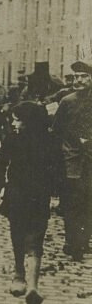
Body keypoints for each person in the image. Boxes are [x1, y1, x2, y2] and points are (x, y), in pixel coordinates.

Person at [0, 101, 62, 304]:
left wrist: (56, 194)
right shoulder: (19, 138)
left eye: (18, 119)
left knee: (28, 237)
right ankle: (24, 278)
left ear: (29, 121)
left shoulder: (44, 140)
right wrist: (0, 186)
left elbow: (58, 167)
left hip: (30, 195)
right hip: (25, 195)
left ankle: (27, 283)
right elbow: (2, 162)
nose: (14, 123)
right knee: (26, 237)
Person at [52, 60, 92, 261]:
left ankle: (84, 241)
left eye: (83, 76)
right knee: (72, 201)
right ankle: (72, 242)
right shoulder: (67, 101)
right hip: (72, 160)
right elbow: (57, 130)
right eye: (76, 77)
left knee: (88, 201)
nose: (79, 80)